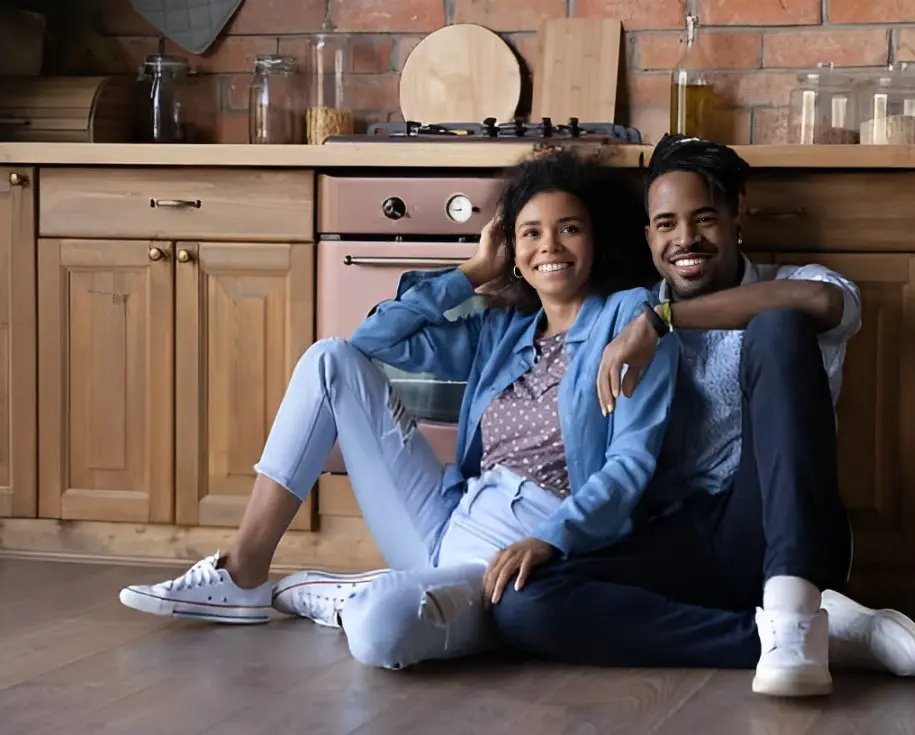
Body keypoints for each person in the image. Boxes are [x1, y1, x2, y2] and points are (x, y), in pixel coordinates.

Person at [117, 150, 679, 671]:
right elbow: (373, 339)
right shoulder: (503, 330)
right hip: (443, 520)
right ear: (512, 248)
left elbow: (629, 463)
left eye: (569, 229)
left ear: (596, 240)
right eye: (530, 233)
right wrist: (473, 271)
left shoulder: (629, 318)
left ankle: (365, 595)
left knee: (379, 631)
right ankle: (243, 570)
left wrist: (552, 538)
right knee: (328, 360)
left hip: (522, 554)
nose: (550, 246)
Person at [486, 134, 915, 697]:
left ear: (736, 219)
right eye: (666, 224)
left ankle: (796, 611)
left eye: (704, 219)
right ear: (648, 235)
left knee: (777, 323)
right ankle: (806, 639)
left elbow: (824, 305)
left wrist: (664, 320)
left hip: (773, 529)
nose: (685, 239)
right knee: (524, 606)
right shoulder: (625, 310)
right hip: (672, 539)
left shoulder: (787, 283)